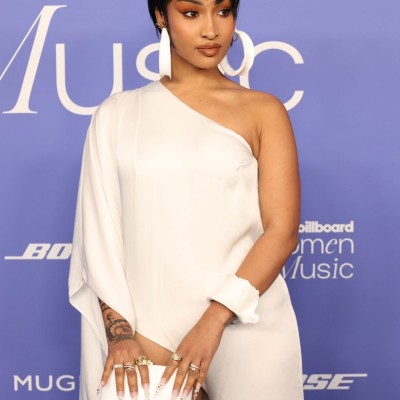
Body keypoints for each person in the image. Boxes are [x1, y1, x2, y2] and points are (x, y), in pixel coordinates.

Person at [69, 0, 304, 399]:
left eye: (223, 11)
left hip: (247, 323)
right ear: (161, 16)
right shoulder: (117, 114)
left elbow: (282, 232)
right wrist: (120, 334)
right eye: (191, 13)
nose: (211, 29)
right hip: (146, 333)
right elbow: (99, 235)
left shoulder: (264, 110)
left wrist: (214, 319)